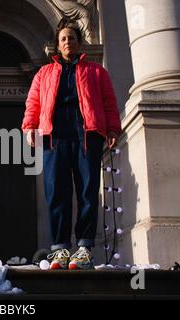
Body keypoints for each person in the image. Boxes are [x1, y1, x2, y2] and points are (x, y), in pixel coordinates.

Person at [21, 18, 121, 270]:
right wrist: (29, 127)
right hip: (55, 135)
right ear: (57, 45)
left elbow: (109, 101)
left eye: (72, 38)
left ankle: (85, 248)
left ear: (79, 43)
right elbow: (33, 103)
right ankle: (60, 249)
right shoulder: (44, 73)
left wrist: (112, 128)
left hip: (87, 134)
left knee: (88, 190)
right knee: (57, 191)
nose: (68, 42)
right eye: (64, 38)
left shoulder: (97, 72)